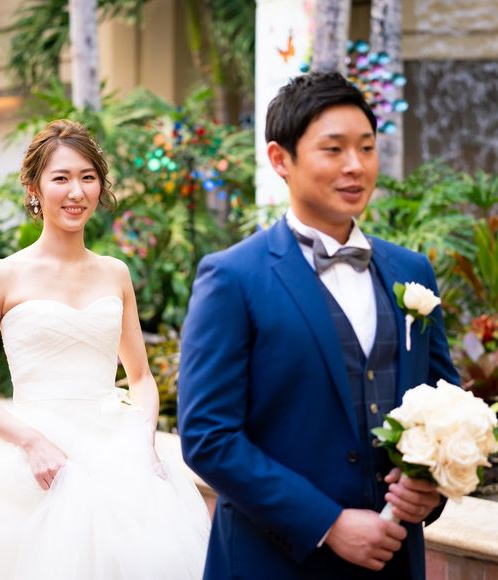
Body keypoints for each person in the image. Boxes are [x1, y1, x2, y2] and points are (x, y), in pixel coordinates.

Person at [178, 72, 460, 579]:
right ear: (280, 159)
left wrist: (431, 486)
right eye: (333, 149)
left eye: (366, 147)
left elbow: (446, 402)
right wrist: (327, 523)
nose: (355, 165)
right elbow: (207, 436)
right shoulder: (233, 277)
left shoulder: (411, 270)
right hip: (273, 562)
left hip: (393, 560)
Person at [0, 119, 210, 580]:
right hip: (28, 455)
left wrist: (143, 440)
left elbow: (139, 376)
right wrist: (32, 443)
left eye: (88, 177)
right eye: (61, 178)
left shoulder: (115, 273)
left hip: (116, 449)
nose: (76, 192)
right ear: (34, 188)